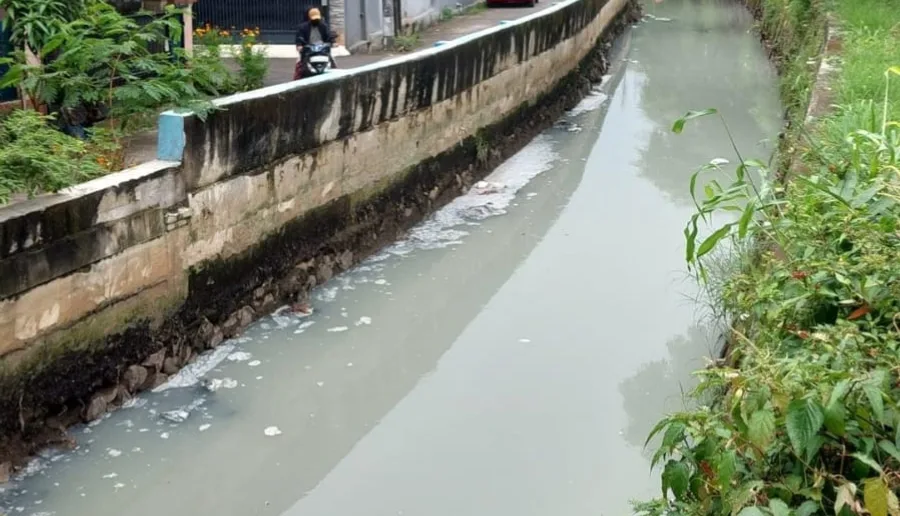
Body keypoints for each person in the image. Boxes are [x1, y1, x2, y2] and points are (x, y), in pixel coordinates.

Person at [293, 7, 337, 80]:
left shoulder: (323, 26)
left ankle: (335, 79)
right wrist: (299, 45)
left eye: (317, 18)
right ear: (309, 18)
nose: (316, 20)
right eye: (314, 18)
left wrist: (333, 42)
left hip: (322, 50)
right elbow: (299, 37)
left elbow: (328, 36)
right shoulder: (302, 27)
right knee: (299, 64)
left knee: (333, 61)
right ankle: (296, 82)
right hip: (308, 50)